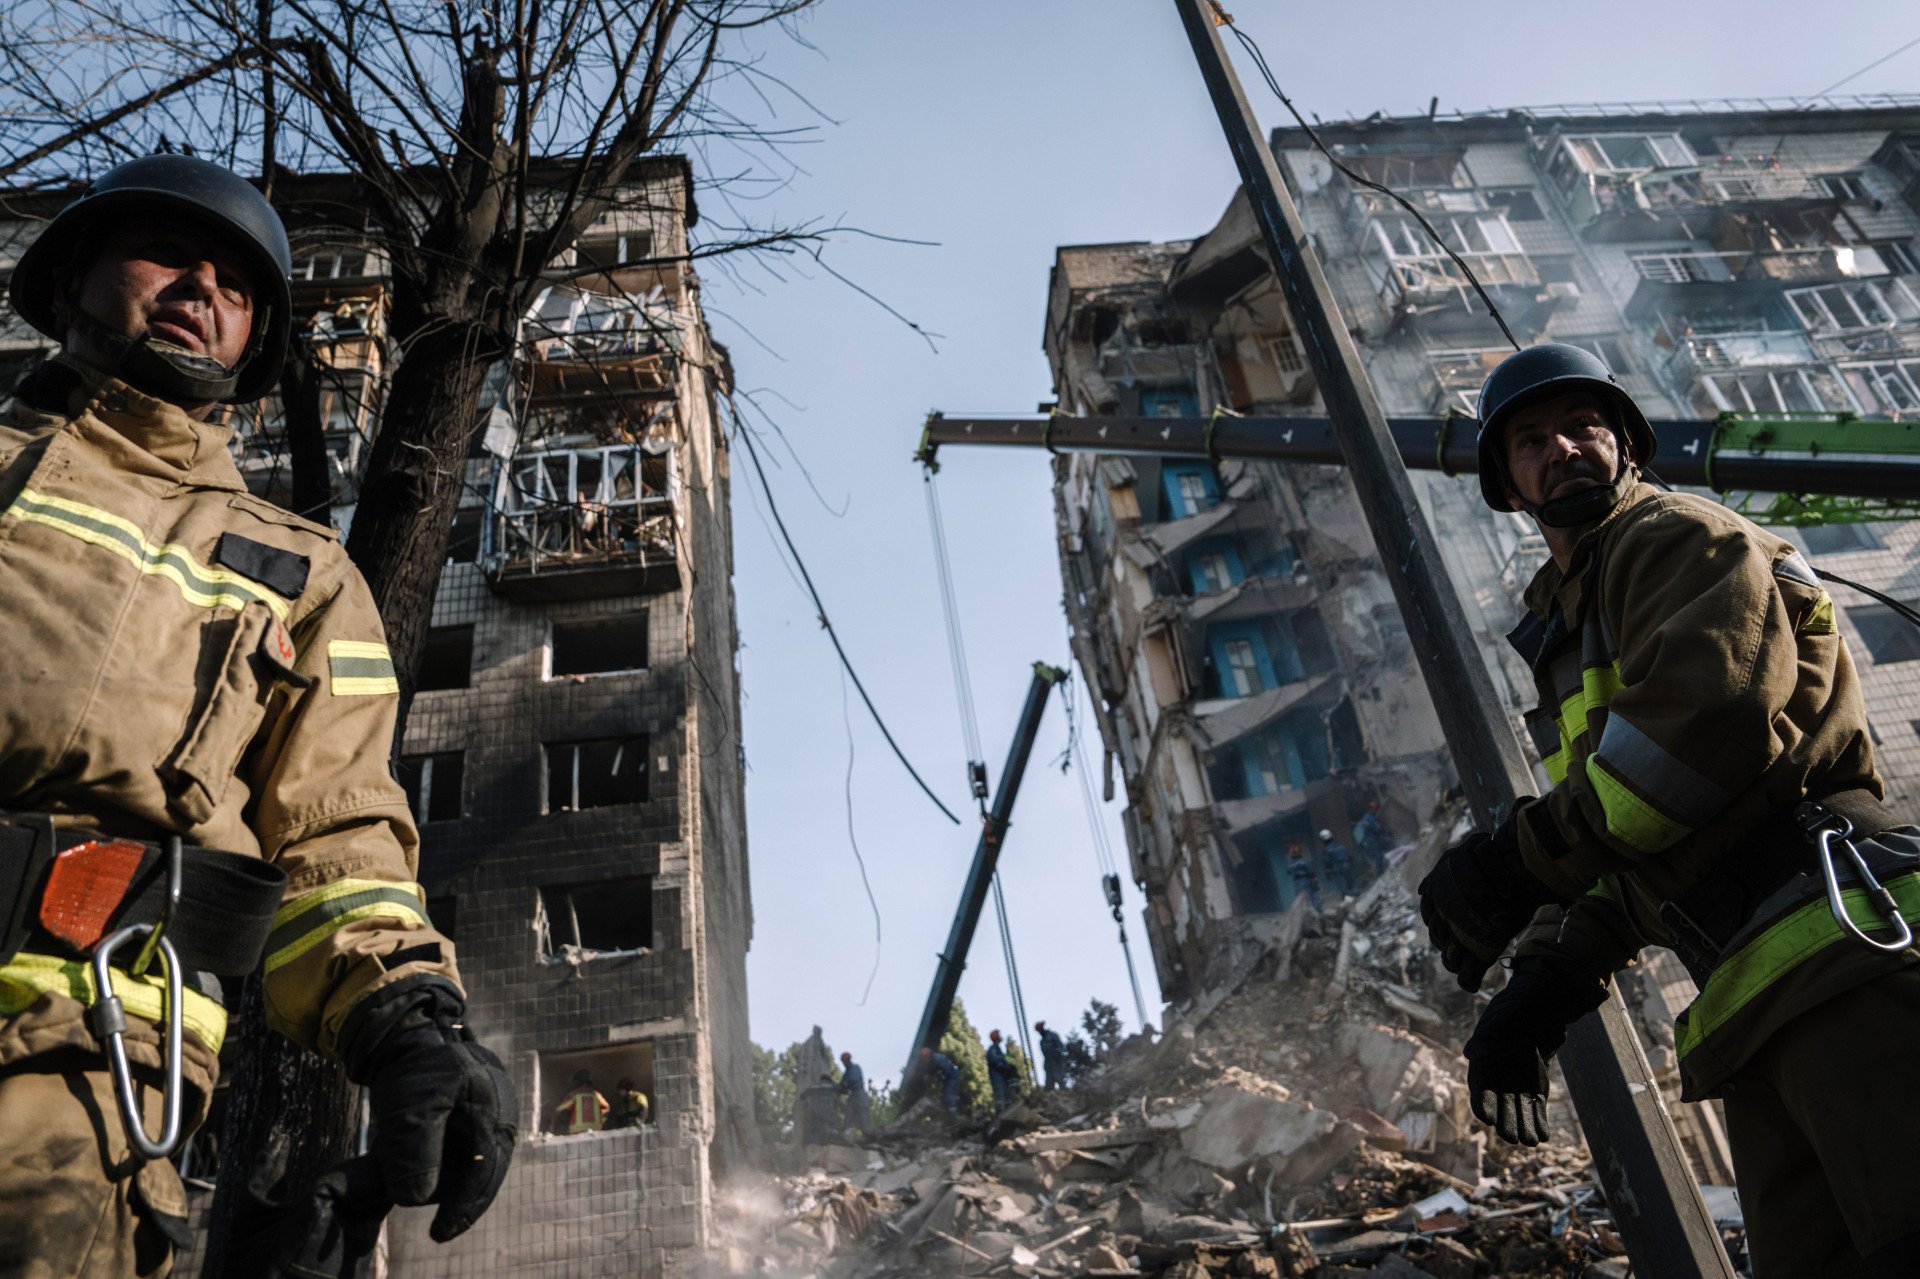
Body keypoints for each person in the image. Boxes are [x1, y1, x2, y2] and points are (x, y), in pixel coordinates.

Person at [0, 154, 514, 1275]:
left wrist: (414, 1023)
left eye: (239, 285)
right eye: (171, 251)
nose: (204, 286)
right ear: (74, 272)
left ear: (254, 347)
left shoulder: (301, 574)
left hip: (86, 1065)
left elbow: (336, 833)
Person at [1417, 343, 1920, 1279]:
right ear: (1506, 484)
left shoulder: (1680, 537)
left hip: (1839, 950)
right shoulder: (1576, 618)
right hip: (1753, 991)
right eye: (1531, 439)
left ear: (1627, 444)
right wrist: (1549, 978)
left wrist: (1519, 861)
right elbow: (1635, 824)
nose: (1562, 446)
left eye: (1584, 425)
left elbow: (1697, 741)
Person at [555, 1071, 610, 1135]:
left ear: (577, 1082)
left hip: (577, 1130)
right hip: (595, 1130)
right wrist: (601, 1121)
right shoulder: (597, 1095)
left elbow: (559, 1109)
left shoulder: (574, 1094)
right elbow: (607, 1108)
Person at [918, 1046, 962, 1119]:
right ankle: (946, 1117)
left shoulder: (937, 1059)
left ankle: (954, 1118)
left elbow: (942, 1070)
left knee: (949, 1094)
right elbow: (931, 1070)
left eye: (925, 1058)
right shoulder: (933, 1060)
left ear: (928, 1056)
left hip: (952, 1076)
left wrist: (930, 1076)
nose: (925, 1060)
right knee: (943, 1096)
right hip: (948, 1078)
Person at [984, 1030, 1021, 1113]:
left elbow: (1006, 1060)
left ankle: (1010, 1113)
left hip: (1003, 1077)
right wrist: (1004, 1066)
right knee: (1000, 1095)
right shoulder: (992, 1049)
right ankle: (1000, 1114)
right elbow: (995, 1061)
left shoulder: (999, 1050)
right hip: (997, 1076)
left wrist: (1010, 1065)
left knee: (1008, 1095)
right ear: (997, 1037)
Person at [799, 1073, 840, 1145]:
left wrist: (804, 1102)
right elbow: (840, 1091)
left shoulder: (815, 1085)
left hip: (816, 1110)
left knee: (815, 1129)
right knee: (833, 1124)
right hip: (827, 1109)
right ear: (829, 1080)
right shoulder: (832, 1086)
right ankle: (832, 1138)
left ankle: (812, 1145)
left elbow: (803, 1095)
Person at [836, 1051, 870, 1135]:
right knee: (849, 1118)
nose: (845, 1063)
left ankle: (869, 1137)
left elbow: (851, 1080)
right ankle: (846, 1135)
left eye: (845, 1061)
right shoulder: (848, 1072)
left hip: (859, 1096)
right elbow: (842, 1087)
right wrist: (839, 1089)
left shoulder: (854, 1069)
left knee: (863, 1121)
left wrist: (843, 1087)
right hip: (855, 1096)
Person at [1353, 799, 1391, 873]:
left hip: (1365, 841)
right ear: (1372, 809)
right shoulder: (1370, 818)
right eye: (1376, 809)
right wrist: (1385, 830)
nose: (1376, 811)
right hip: (1370, 840)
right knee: (1378, 856)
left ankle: (1383, 869)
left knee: (1377, 855)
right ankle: (1380, 873)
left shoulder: (1365, 817)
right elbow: (1377, 829)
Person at [1319, 828, 1356, 897]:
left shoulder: (1327, 850)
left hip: (1337, 868)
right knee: (1351, 881)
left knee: (1342, 885)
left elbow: (1327, 862)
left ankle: (1349, 898)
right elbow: (1349, 855)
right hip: (1346, 864)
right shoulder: (1340, 845)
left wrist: (1328, 873)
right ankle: (1356, 893)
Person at [1285, 842, 1320, 910]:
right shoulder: (1305, 861)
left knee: (1300, 898)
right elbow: (1311, 872)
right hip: (1307, 880)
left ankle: (1304, 912)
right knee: (1313, 896)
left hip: (1297, 882)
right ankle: (1318, 910)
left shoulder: (1290, 864)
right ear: (1300, 852)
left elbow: (1288, 872)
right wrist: (1314, 881)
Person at [1034, 1020, 1067, 1090]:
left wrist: (1058, 1053)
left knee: (1060, 1079)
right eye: (1038, 1031)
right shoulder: (1042, 1042)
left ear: (1043, 1028)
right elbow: (1044, 1054)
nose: (1040, 1032)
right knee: (1049, 1084)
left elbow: (1061, 1047)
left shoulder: (1052, 1035)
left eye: (1040, 1030)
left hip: (1056, 1061)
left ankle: (1065, 1094)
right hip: (1048, 1063)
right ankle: (1051, 1097)